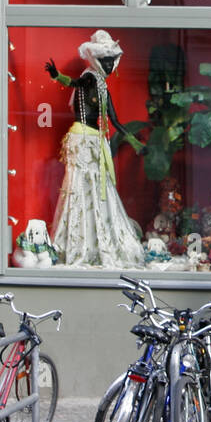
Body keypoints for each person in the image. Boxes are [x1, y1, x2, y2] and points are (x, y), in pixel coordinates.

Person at [44, 30, 144, 269]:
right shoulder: (89, 77)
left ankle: (96, 242)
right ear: (97, 59)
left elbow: (115, 120)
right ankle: (80, 243)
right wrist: (57, 76)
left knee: (96, 189)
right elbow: (74, 82)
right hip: (83, 141)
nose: (109, 65)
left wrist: (135, 142)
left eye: (111, 61)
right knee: (79, 186)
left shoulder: (102, 86)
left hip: (95, 142)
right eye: (106, 61)